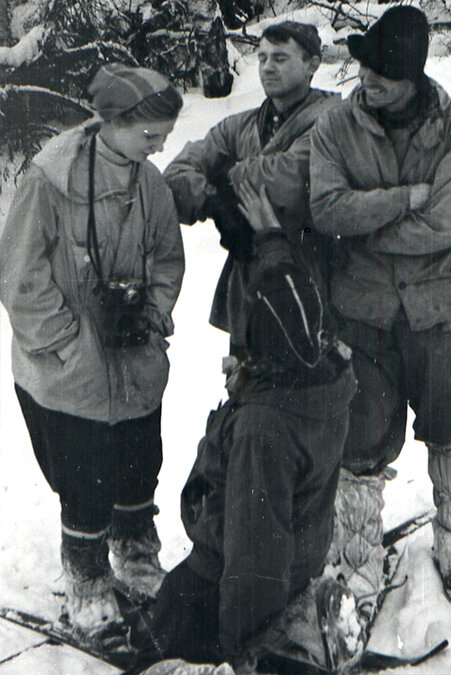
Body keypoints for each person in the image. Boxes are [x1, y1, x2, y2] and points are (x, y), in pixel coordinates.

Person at [307, 5, 451, 617]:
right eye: (365, 69)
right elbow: (327, 210)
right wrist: (402, 199)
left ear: (415, 74)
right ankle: (359, 558)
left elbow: (446, 224)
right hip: (361, 308)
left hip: (445, 303)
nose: (369, 82)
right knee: (359, 439)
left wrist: (367, 223)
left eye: (384, 73)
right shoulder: (336, 127)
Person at [0, 64, 185, 636]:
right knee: (84, 480)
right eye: (149, 135)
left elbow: (167, 259)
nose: (160, 148)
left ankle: (136, 556)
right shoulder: (51, 180)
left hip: (133, 360)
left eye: (165, 136)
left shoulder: (148, 183)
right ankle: (86, 580)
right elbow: (20, 274)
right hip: (69, 368)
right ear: (113, 122)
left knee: (137, 464)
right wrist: (66, 341)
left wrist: (151, 315)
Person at [146, 181, 357, 673]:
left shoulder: (265, 427)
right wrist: (271, 236)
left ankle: (274, 644)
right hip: (299, 557)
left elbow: (253, 556)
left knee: (169, 618)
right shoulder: (322, 370)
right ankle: (298, 615)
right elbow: (286, 282)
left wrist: (242, 649)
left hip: (240, 575)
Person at [164, 20, 338, 360]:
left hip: (314, 279)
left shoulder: (332, 120)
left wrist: (222, 180)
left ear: (312, 64)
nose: (267, 67)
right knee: (249, 389)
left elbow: (288, 181)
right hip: (250, 282)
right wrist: (217, 200)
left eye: (280, 58)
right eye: (262, 58)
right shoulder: (240, 126)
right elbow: (175, 175)